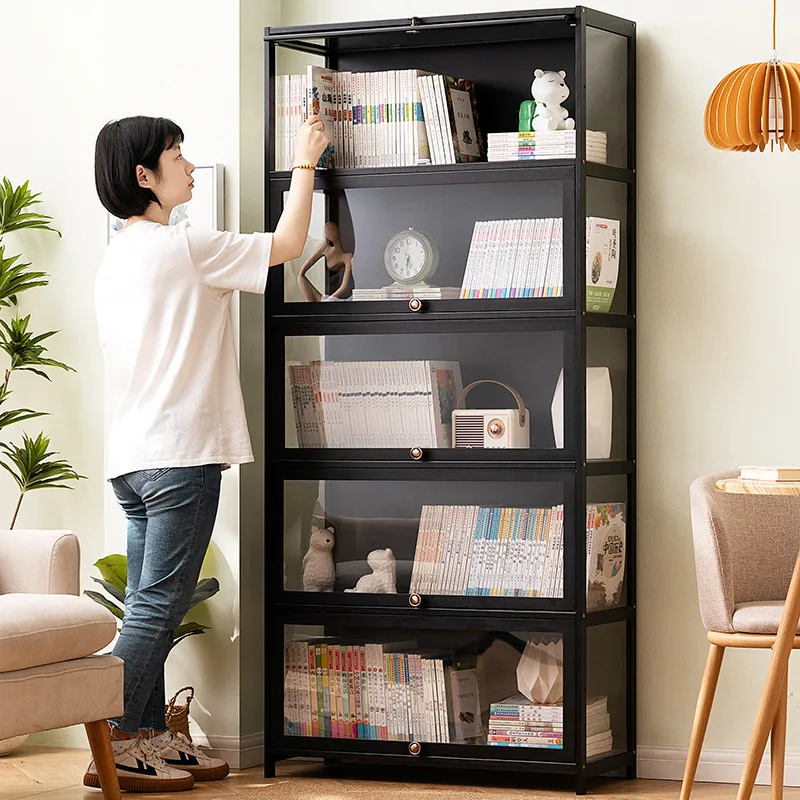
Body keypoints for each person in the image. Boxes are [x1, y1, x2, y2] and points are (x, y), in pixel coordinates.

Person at [88, 114, 327, 793]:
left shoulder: (114, 259)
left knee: (147, 603)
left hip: (132, 460)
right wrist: (306, 162)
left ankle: (141, 738)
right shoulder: (184, 247)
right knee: (157, 609)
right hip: (180, 456)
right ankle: (106, 736)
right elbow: (287, 243)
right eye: (176, 155)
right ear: (145, 176)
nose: (189, 166)